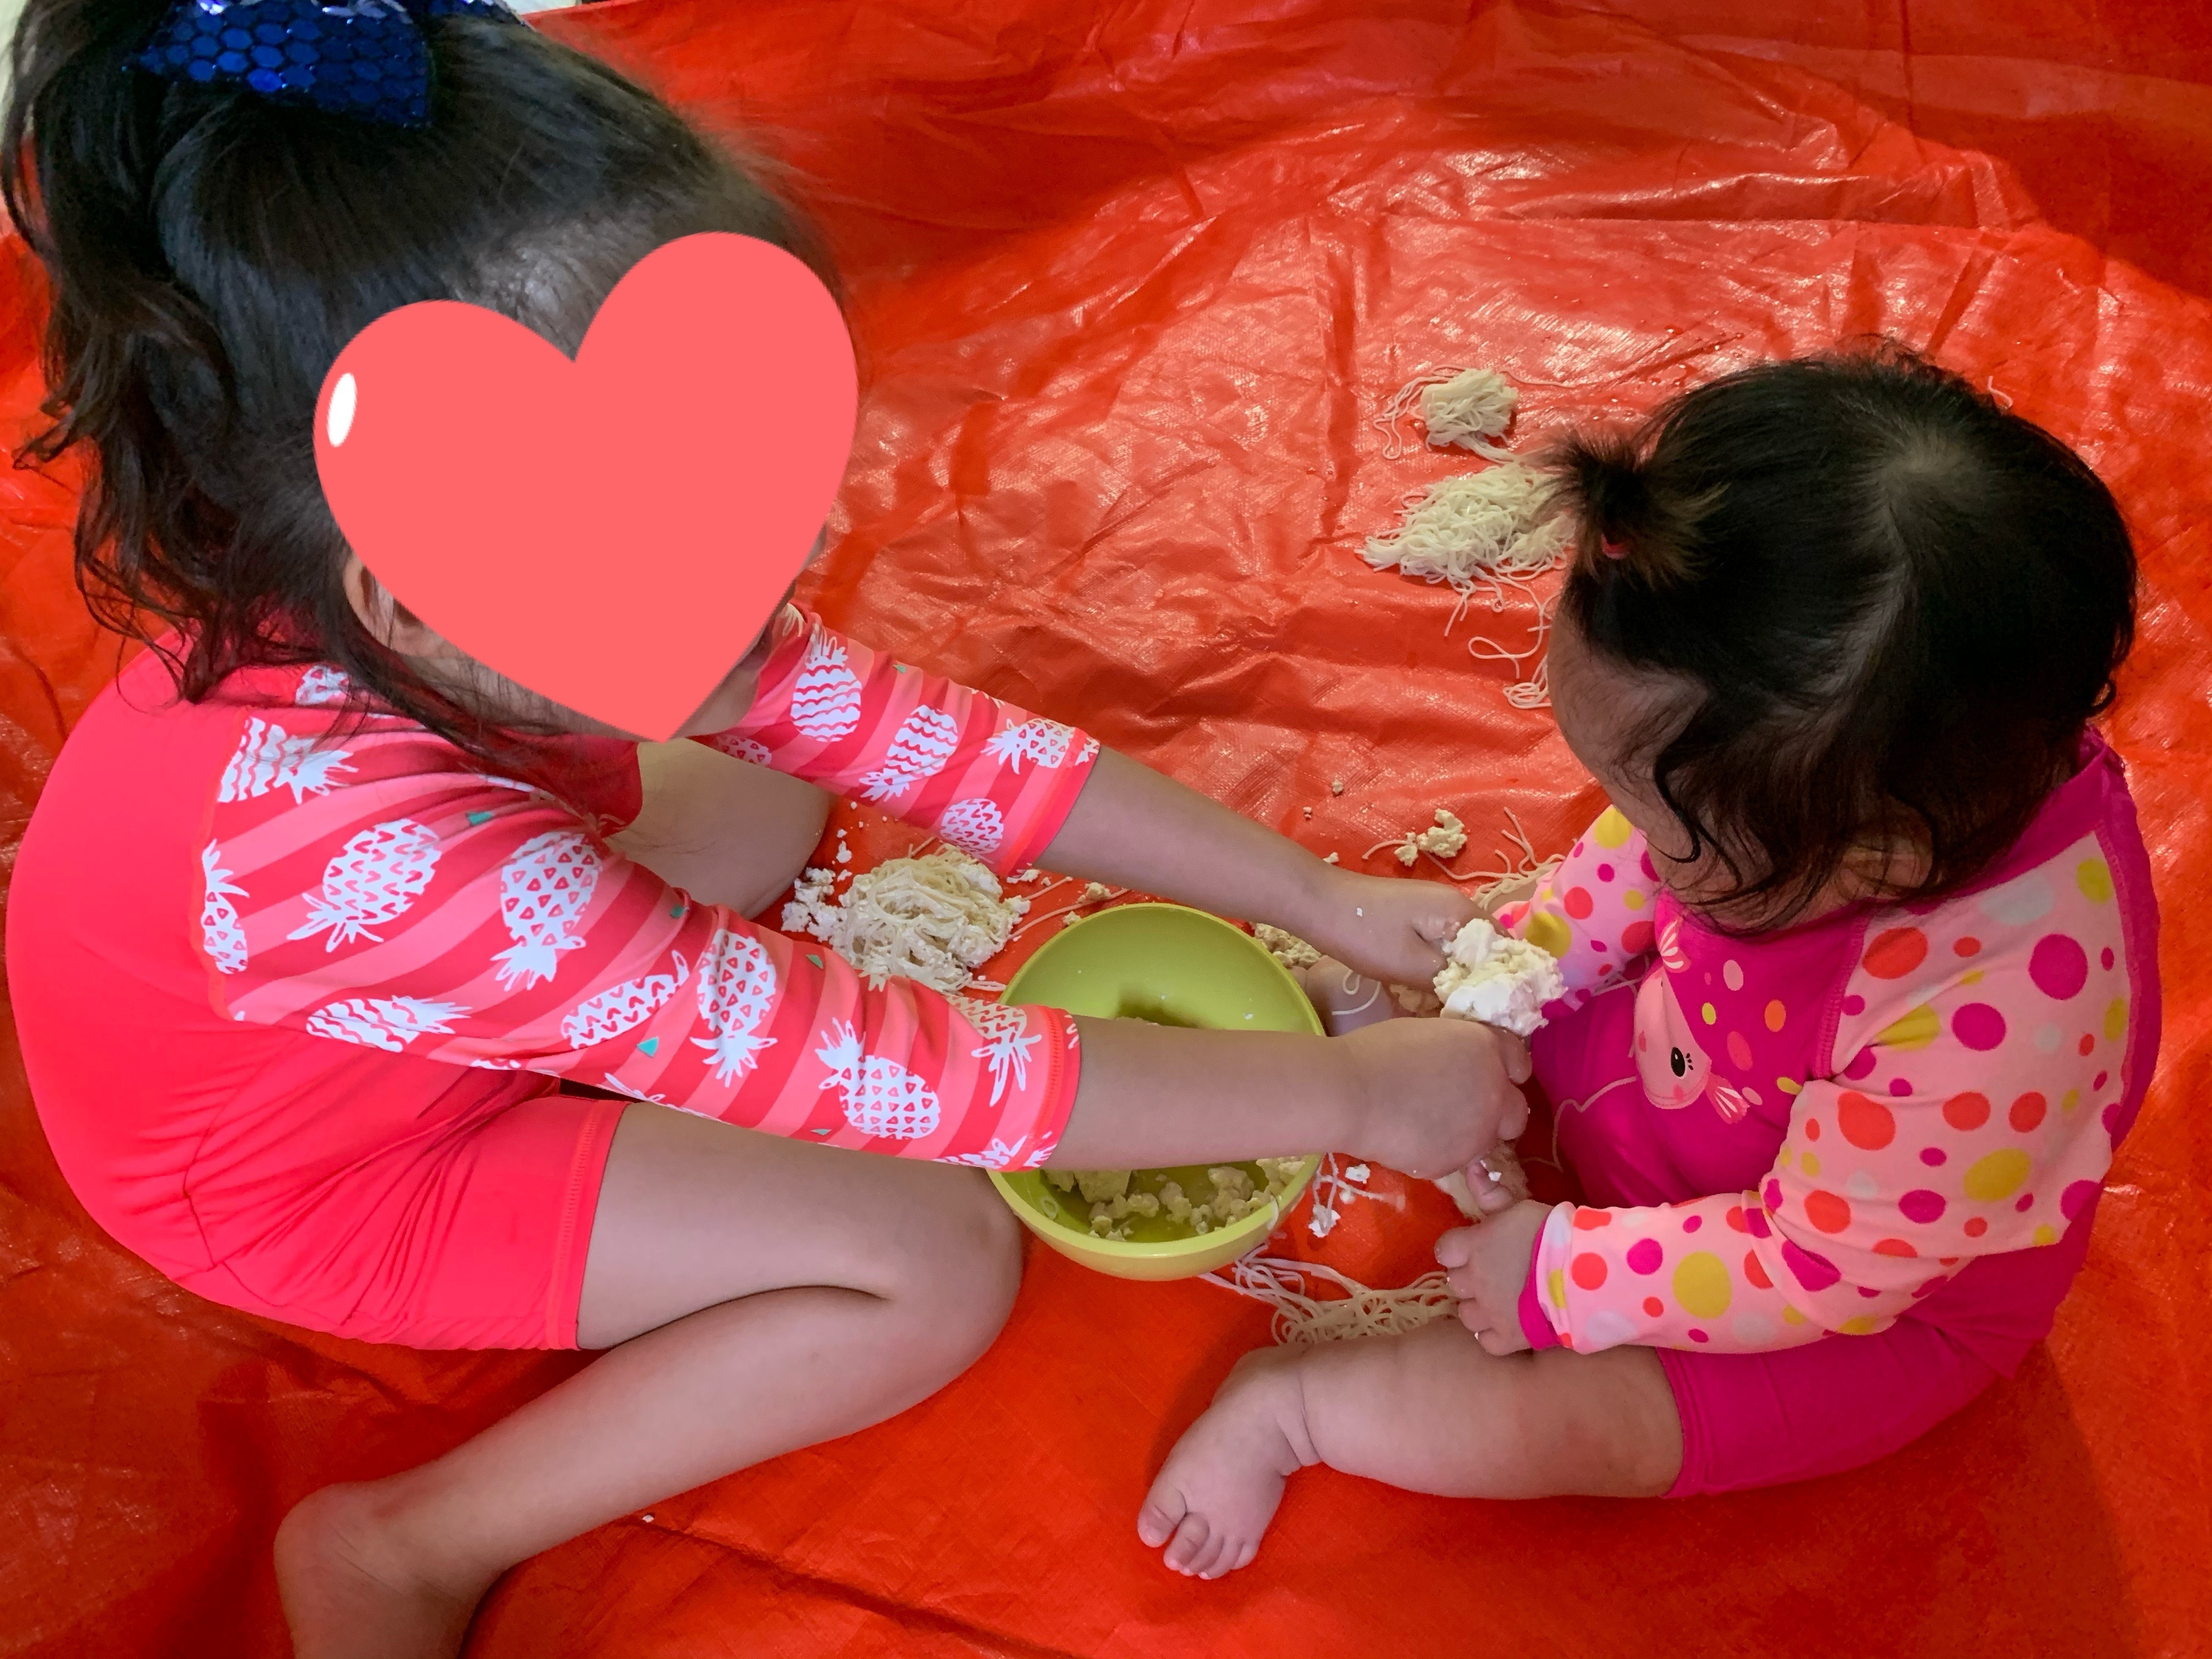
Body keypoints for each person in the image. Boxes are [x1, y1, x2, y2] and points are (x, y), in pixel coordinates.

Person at [0, 3, 1530, 1654]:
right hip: (323, 1179)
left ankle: (580, 1034)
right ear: (418, 604)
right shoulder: (423, 874)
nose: (781, 585)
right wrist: (1351, 1098)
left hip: (375, 992)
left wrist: (1319, 890)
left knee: (777, 779)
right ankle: (407, 1541)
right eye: (700, 545)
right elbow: (920, 1077)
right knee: (925, 1260)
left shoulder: (448, 617)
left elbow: (914, 738)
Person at [1139, 346, 2159, 1578]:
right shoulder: (1834, 790)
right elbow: (1631, 871)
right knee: (1503, 961)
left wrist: (1565, 1275)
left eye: (1651, 809)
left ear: (1876, 855)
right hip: (1696, 1065)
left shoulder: (2002, 1021)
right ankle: (1389, 1041)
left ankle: (1298, 1411)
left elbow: (1816, 1264)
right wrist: (1514, 980)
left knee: (1599, 1424)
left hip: (1856, 1290)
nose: (1619, 825)